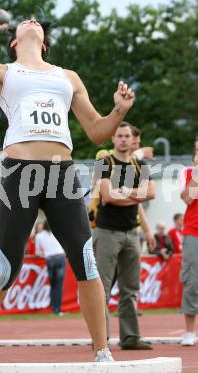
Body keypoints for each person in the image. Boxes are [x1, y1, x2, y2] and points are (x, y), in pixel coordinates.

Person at [0, 10, 135, 370]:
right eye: (24, 21)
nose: (31, 21)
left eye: (36, 22)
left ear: (44, 41)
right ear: (14, 40)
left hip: (61, 173)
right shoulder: (3, 73)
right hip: (19, 173)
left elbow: (97, 132)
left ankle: (102, 350)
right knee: (7, 268)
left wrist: (118, 111)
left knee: (85, 261)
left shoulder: (67, 77)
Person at [93, 122, 155, 350]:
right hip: (107, 232)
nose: (123, 139)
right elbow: (108, 197)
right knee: (102, 290)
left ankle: (130, 338)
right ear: (113, 139)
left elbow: (152, 193)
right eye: (119, 136)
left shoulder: (141, 165)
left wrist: (126, 193)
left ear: (133, 139)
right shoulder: (104, 163)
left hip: (131, 233)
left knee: (130, 290)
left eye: (127, 136)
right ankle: (101, 340)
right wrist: (138, 195)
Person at [180, 151, 198, 346]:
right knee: (192, 281)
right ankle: (190, 331)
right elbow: (188, 198)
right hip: (194, 231)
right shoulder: (188, 173)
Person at [35, 220, 66, 315]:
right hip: (60, 257)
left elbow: (37, 253)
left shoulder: (39, 236)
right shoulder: (58, 232)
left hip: (50, 259)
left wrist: (46, 254)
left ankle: (54, 308)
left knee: (53, 284)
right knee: (59, 285)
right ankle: (58, 309)